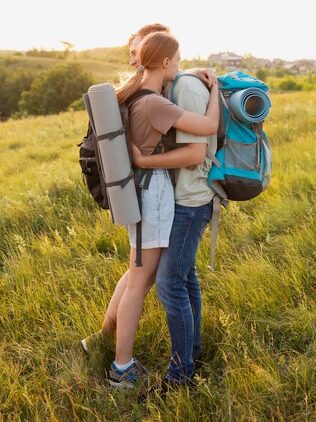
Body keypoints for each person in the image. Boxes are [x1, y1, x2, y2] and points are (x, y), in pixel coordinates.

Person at [82, 31, 219, 389]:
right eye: (177, 60)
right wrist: (215, 90)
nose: (179, 66)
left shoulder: (137, 94)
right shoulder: (155, 104)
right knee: (140, 281)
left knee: (137, 278)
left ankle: (110, 349)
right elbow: (208, 128)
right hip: (153, 192)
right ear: (165, 62)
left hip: (142, 189)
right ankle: (122, 367)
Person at [132, 69, 217, 387]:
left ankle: (180, 376)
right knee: (185, 278)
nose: (132, 60)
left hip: (190, 202)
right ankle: (192, 353)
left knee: (169, 285)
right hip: (180, 199)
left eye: (137, 53)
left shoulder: (186, 90)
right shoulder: (173, 86)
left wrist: (144, 162)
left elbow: (195, 154)